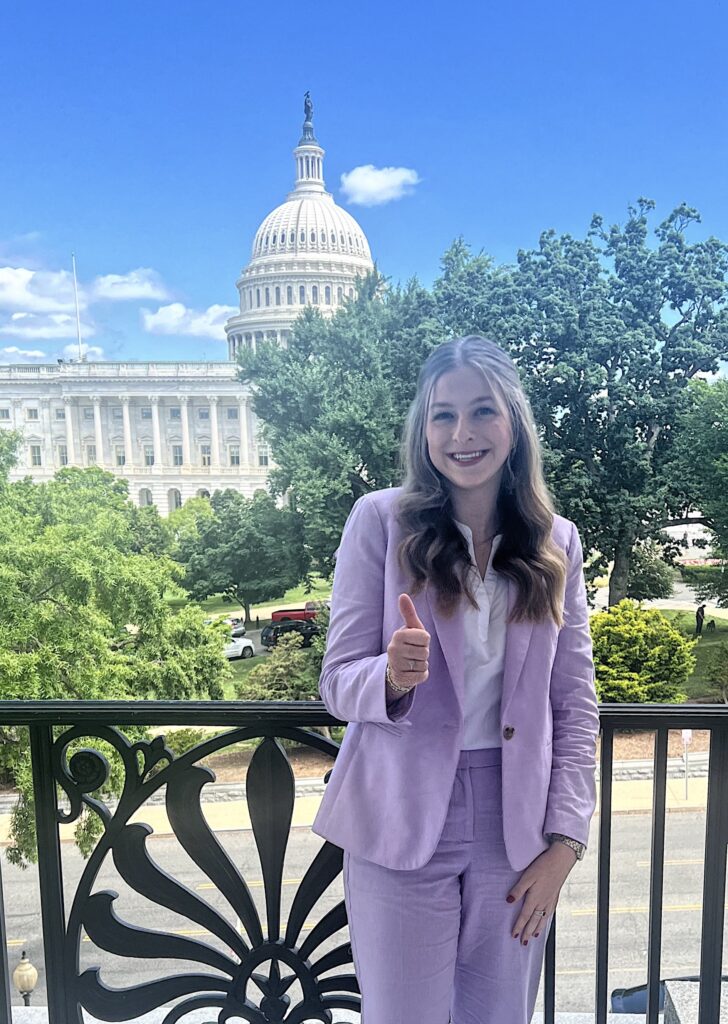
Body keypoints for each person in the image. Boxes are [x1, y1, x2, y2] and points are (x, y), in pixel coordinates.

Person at [311, 335, 599, 1024]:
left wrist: (567, 840)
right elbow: (336, 681)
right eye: (443, 415)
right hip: (401, 820)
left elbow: (574, 704)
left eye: (482, 412)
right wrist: (390, 677)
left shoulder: (557, 541)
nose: (462, 434)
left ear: (514, 424)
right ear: (423, 428)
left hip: (515, 826)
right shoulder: (380, 521)